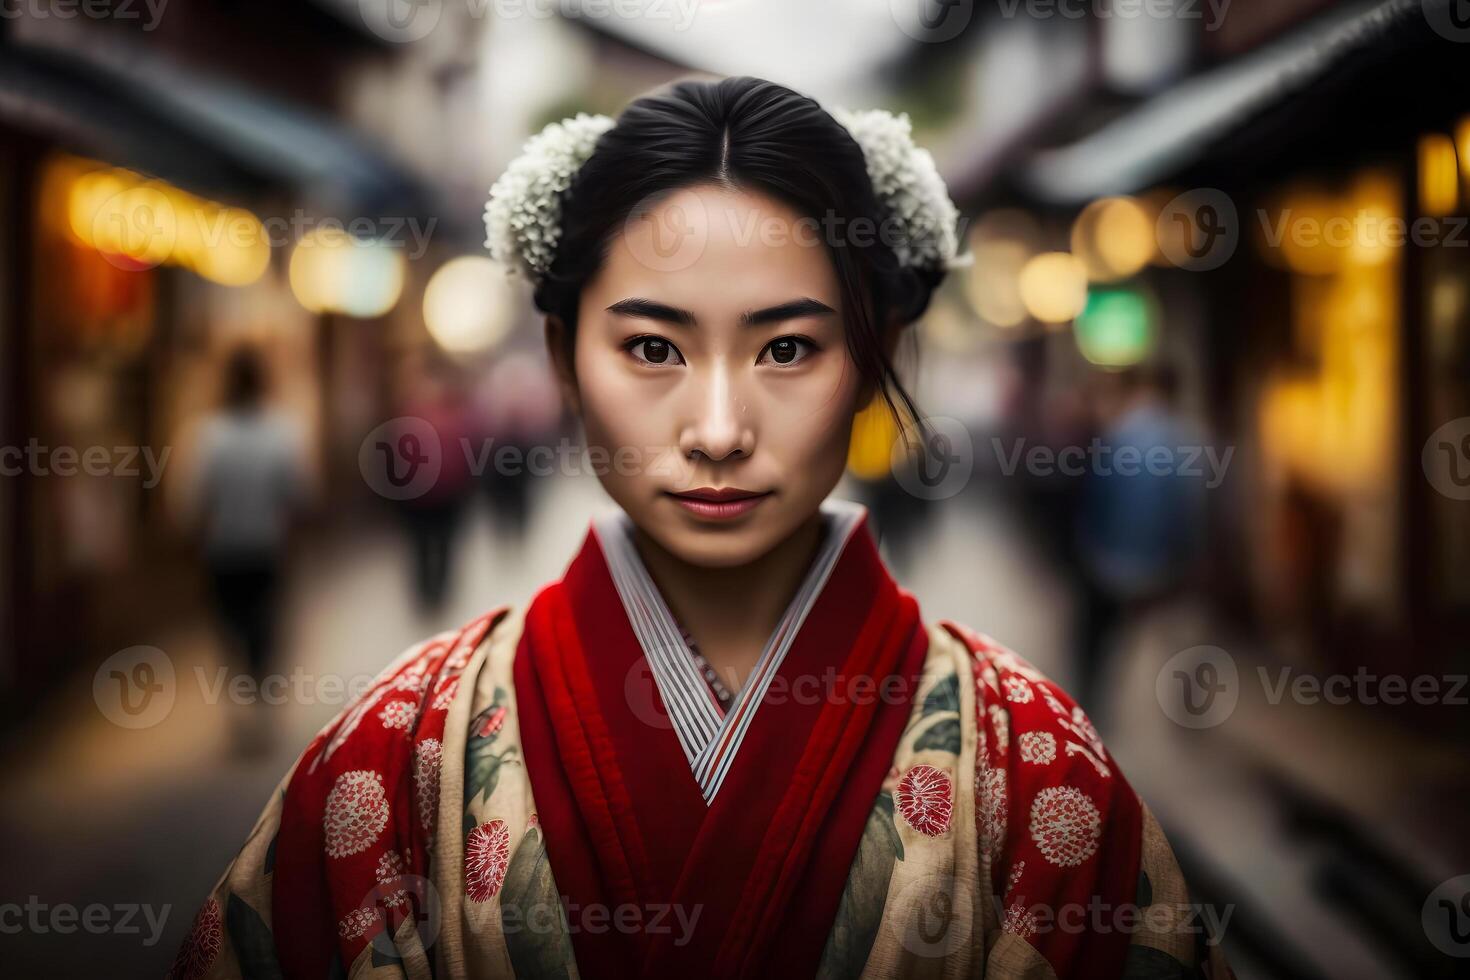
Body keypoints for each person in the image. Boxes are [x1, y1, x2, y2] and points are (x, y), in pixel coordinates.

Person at [170, 77, 1231, 979]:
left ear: (875, 354)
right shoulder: (394, 758)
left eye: (786, 351)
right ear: (558, 355)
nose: (718, 432)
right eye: (651, 349)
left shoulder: (1040, 775)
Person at [185, 346, 309, 753]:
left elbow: (191, 499)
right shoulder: (281, 433)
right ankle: (261, 704)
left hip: (222, 549)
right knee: (265, 627)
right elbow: (299, 493)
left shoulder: (208, 435)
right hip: (267, 548)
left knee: (230, 628)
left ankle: (241, 706)